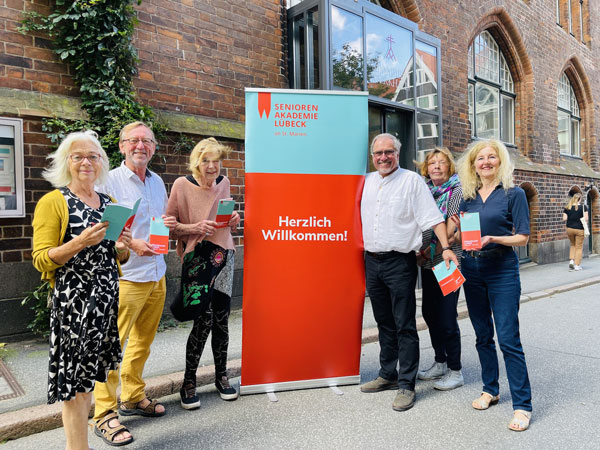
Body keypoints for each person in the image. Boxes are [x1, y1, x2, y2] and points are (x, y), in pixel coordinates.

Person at [32, 131, 131, 450]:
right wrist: (77, 243)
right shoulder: (54, 201)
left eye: (93, 156)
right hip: (75, 309)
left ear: (101, 162)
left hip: (104, 306)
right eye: (78, 156)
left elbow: (115, 256)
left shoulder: (109, 202)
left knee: (88, 384)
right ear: (66, 162)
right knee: (74, 388)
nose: (86, 162)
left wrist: (122, 247)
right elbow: (41, 258)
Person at [360, 133, 458, 412]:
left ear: (397, 153)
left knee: (404, 324)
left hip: (400, 261)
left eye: (388, 152)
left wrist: (446, 248)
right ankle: (387, 374)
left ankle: (406, 385)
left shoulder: (412, 181)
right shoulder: (365, 182)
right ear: (372, 156)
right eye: (378, 153)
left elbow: (431, 217)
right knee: (383, 322)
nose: (383, 157)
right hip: (371, 260)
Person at [93, 122, 168, 446]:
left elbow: (158, 223)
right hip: (126, 277)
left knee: (141, 344)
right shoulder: (109, 180)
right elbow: (104, 230)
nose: (141, 145)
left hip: (156, 273)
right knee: (112, 347)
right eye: (134, 140)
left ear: (153, 147)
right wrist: (133, 243)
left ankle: (133, 396)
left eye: (147, 141)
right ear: (122, 146)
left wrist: (166, 228)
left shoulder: (157, 181)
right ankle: (104, 414)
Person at [456, 139, 532, 432]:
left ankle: (523, 405)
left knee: (508, 338)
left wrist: (494, 238)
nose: (485, 162)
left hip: (502, 268)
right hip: (472, 268)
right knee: (482, 335)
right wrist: (451, 241)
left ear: (500, 161)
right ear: (472, 165)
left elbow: (523, 237)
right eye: (480, 159)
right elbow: (462, 233)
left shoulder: (513, 194)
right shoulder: (468, 196)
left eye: (491, 157)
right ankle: (491, 389)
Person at [164, 137, 241, 410]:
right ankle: (188, 382)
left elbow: (226, 220)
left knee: (222, 320)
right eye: (206, 160)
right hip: (197, 258)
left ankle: (222, 376)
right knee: (202, 320)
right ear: (197, 161)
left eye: (216, 160)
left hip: (224, 256)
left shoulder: (224, 183)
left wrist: (233, 220)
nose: (212, 166)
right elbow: (169, 227)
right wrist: (195, 227)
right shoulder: (181, 185)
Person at [415, 147, 464, 391]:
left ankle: (456, 370)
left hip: (448, 259)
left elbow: (452, 220)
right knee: (429, 313)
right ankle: (440, 362)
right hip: (427, 259)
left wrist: (447, 242)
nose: (436, 166)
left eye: (441, 162)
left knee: (446, 316)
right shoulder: (424, 189)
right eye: (432, 162)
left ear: (449, 167)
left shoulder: (456, 189)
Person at [563, 192, 588, 271]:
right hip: (579, 229)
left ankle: (571, 260)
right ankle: (577, 265)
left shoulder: (567, 207)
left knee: (572, 245)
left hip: (569, 229)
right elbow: (586, 219)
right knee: (579, 247)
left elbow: (564, 219)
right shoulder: (583, 207)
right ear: (580, 199)